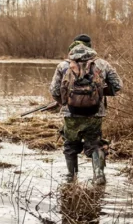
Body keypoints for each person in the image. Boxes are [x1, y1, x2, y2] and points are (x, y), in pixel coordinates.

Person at [49, 34, 122, 185]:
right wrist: (100, 92)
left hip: (71, 113)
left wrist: (64, 101)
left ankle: (71, 177)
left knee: (70, 144)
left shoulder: (63, 66)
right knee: (95, 144)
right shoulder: (102, 64)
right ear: (90, 47)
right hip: (95, 113)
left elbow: (54, 90)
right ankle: (99, 176)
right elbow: (118, 85)